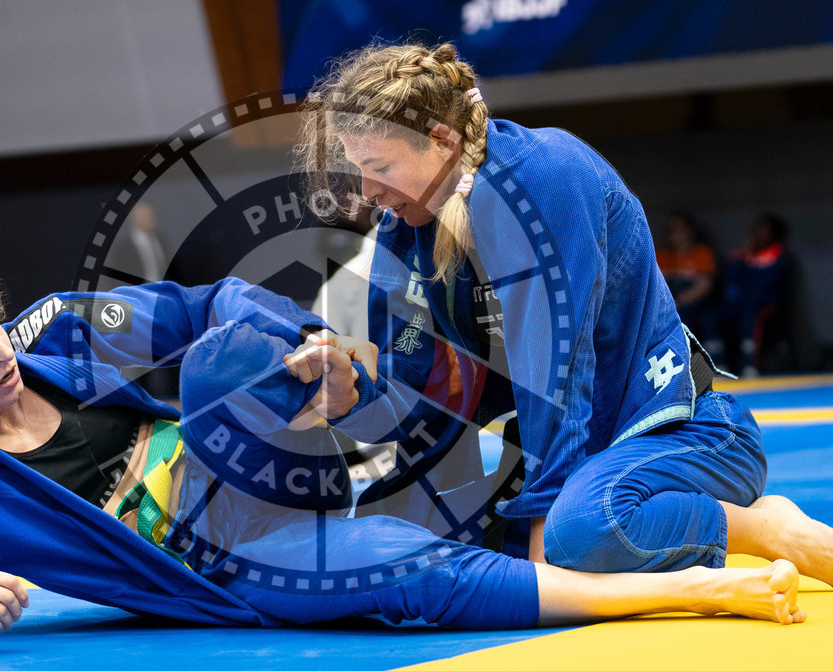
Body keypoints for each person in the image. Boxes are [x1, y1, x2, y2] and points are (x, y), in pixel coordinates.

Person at [0, 254, 808, 656]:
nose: (0, 350)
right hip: (223, 553)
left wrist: (306, 339)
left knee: (232, 361)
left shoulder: (57, 328)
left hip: (268, 452)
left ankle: (746, 517)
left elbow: (210, 303)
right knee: (406, 569)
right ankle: (688, 584)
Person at [293, 41, 833, 581]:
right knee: (385, 539)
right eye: (359, 169)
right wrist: (353, 391)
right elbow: (420, 392)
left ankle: (761, 527)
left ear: (440, 139)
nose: (367, 191)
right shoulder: (405, 229)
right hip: (577, 464)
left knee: (577, 533)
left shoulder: (542, 176)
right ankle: (595, 528)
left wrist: (542, 549)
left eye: (380, 167)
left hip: (682, 437)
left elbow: (558, 374)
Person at [722, 212, 794, 376]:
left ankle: (749, 365)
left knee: (750, 315)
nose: (759, 234)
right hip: (740, 303)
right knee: (712, 317)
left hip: (765, 303)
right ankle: (719, 365)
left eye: (764, 230)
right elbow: (731, 279)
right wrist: (742, 255)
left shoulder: (778, 254)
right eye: (757, 230)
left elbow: (770, 284)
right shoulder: (745, 254)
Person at [655, 211, 721, 358]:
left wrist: (679, 301)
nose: (675, 233)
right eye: (672, 229)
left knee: (707, 320)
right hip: (668, 303)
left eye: (679, 228)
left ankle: (715, 362)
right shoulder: (662, 255)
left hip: (694, 303)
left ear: (690, 230)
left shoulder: (702, 253)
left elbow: (705, 285)